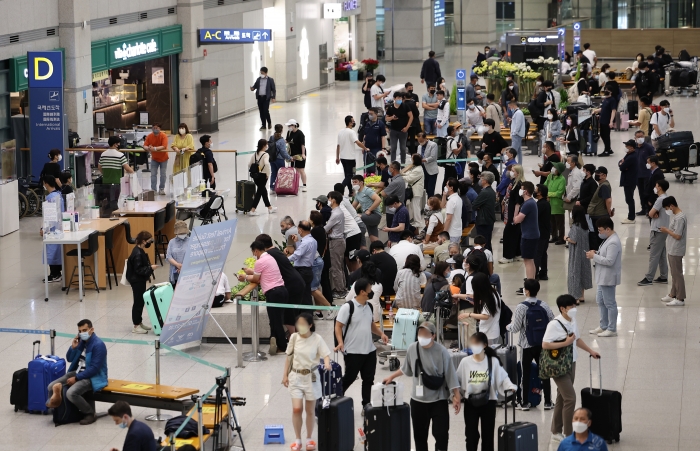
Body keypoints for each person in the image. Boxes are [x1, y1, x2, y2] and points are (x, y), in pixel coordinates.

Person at [383, 322, 460, 451]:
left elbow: (450, 374)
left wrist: (456, 395)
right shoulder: (412, 348)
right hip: (418, 401)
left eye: (425, 334)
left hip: (438, 400)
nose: (422, 336)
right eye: (420, 333)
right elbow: (406, 368)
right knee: (420, 437)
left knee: (441, 435)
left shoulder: (442, 352)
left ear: (433, 336)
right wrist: (392, 377)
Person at [543, 294, 601, 441]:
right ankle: (569, 435)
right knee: (570, 398)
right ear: (562, 309)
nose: (574, 309)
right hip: (558, 366)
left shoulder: (573, 320)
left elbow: (577, 339)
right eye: (571, 307)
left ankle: (556, 431)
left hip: (571, 362)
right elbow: (545, 344)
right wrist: (565, 343)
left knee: (562, 397)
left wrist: (590, 351)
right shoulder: (554, 324)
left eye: (574, 306)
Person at [456, 331, 518, 451]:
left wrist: (510, 386)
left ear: (484, 345)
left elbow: (503, 377)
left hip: (488, 402)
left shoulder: (492, 361)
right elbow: (457, 380)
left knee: (488, 436)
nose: (474, 346)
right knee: (471, 436)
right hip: (470, 403)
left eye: (477, 343)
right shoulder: (465, 362)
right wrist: (455, 396)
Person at [335, 278, 389, 409]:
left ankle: (366, 405)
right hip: (353, 350)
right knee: (349, 377)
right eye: (369, 289)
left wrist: (381, 333)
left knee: (368, 379)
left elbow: (370, 324)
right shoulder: (348, 307)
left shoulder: (369, 306)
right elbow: (338, 326)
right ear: (362, 292)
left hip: (369, 350)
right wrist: (340, 342)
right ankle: (335, 400)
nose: (371, 292)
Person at [282, 313, 331, 451]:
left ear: (310, 325)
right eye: (298, 324)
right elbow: (288, 356)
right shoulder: (294, 337)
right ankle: (298, 440)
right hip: (296, 376)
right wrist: (284, 375)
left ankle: (309, 438)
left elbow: (326, 354)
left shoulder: (317, 339)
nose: (300, 327)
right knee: (297, 409)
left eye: (303, 324)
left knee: (310, 410)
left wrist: (327, 364)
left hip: (311, 377)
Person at [46, 319, 107, 425]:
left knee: (71, 393)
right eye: (80, 331)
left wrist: (77, 378)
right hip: (78, 372)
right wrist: (73, 348)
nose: (82, 333)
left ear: (91, 330)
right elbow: (69, 358)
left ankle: (89, 413)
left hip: (92, 377)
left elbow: (94, 369)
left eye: (85, 330)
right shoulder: (82, 343)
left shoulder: (98, 345)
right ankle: (58, 411)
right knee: (51, 386)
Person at [506, 278, 554, 410]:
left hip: (527, 345)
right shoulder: (543, 305)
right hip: (542, 345)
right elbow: (552, 321)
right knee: (544, 373)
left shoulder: (521, 307)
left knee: (525, 374)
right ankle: (548, 402)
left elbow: (515, 328)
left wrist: (508, 326)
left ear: (526, 291)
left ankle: (525, 402)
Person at [236, 240, 290, 353]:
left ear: (256, 250)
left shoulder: (260, 261)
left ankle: (282, 346)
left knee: (276, 321)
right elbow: (261, 274)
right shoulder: (270, 258)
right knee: (277, 320)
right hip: (282, 291)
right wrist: (250, 273)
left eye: (253, 252)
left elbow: (256, 279)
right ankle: (274, 342)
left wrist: (245, 277)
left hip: (273, 293)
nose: (253, 255)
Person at [586, 218, 622, 337]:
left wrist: (594, 257)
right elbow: (605, 255)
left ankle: (612, 328)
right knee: (600, 301)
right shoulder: (608, 239)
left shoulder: (613, 242)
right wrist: (596, 253)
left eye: (600, 230)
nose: (599, 232)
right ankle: (603, 325)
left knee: (610, 303)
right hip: (602, 277)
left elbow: (610, 261)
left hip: (608, 277)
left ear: (608, 229)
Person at [638, 179, 670, 287]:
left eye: (656, 186)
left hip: (657, 230)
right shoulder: (667, 198)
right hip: (663, 229)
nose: (655, 187)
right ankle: (664, 276)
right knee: (661, 254)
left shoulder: (660, 199)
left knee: (654, 255)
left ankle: (649, 278)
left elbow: (651, 214)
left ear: (660, 187)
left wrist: (651, 212)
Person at [125, 231, 157, 334]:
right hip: (137, 281)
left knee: (140, 302)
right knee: (138, 302)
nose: (150, 243)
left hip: (139, 280)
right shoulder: (137, 253)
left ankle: (139, 322)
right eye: (149, 241)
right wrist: (150, 268)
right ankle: (136, 325)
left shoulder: (139, 250)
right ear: (143, 241)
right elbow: (139, 270)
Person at [660, 196, 687, 306]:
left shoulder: (680, 218)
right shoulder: (676, 216)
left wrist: (666, 230)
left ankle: (680, 298)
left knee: (677, 274)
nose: (667, 211)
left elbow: (678, 235)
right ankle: (673, 294)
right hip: (672, 248)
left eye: (667, 208)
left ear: (672, 206)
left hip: (676, 249)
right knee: (674, 273)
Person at [461, 272, 501, 345]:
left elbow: (485, 316)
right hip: (492, 330)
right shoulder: (493, 292)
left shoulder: (489, 298)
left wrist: (469, 314)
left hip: (489, 333)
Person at [513, 182, 539, 292]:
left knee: (527, 261)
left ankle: (529, 286)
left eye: (521, 188)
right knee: (530, 260)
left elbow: (517, 220)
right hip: (531, 235)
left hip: (529, 236)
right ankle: (531, 283)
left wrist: (516, 208)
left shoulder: (528, 204)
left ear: (526, 191)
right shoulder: (530, 203)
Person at [565, 206, 592, 304]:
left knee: (575, 273)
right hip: (584, 252)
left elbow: (574, 240)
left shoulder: (575, 227)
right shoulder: (586, 225)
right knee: (582, 273)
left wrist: (566, 238)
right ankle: (581, 296)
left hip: (576, 253)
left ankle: (575, 297)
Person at [309, 211, 334, 317]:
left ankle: (328, 306)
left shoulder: (314, 231)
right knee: (323, 282)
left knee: (315, 286)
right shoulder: (322, 229)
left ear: (312, 220)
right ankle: (319, 309)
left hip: (318, 260)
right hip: (325, 258)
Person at [40, 175, 65, 283]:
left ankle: (54, 274)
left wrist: (43, 228)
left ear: (46, 183)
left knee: (51, 251)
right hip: (60, 227)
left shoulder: (50, 198)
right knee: (57, 251)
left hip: (52, 229)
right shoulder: (59, 195)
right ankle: (57, 272)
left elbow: (49, 216)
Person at [288, 220, 317, 307]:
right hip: (308, 270)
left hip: (302, 271)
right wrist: (297, 242)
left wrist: (284, 260)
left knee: (301, 295)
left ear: (300, 230)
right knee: (306, 294)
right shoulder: (312, 240)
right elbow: (303, 252)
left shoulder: (305, 242)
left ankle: (304, 315)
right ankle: (308, 316)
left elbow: (296, 255)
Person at [337, 115, 369, 195]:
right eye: (353, 121)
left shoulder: (340, 132)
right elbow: (357, 142)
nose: (354, 122)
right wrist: (365, 148)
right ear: (350, 123)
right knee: (350, 175)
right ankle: (340, 189)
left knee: (347, 175)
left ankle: (351, 191)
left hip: (343, 157)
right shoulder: (351, 132)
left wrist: (337, 157)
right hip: (350, 158)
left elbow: (338, 145)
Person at [499, 165, 525, 265]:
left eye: (513, 171)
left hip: (513, 213)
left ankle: (508, 256)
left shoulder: (519, 184)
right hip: (510, 210)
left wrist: (515, 216)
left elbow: (518, 202)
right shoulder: (513, 182)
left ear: (517, 173)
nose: (511, 172)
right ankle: (517, 253)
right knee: (516, 233)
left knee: (508, 234)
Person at [324, 191, 347, 297]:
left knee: (336, 267)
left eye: (329, 198)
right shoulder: (338, 212)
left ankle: (339, 291)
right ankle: (341, 288)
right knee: (340, 266)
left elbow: (326, 229)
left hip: (335, 242)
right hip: (339, 241)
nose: (328, 200)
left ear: (333, 200)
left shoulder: (335, 213)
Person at [248, 139, 276, 216]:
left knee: (263, 191)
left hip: (255, 176)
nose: (267, 146)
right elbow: (267, 164)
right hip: (263, 175)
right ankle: (252, 210)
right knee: (259, 192)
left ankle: (270, 208)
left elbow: (249, 164)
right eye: (266, 145)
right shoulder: (265, 154)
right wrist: (268, 173)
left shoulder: (254, 154)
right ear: (264, 146)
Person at [351, 175, 382, 242]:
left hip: (374, 215)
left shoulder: (367, 190)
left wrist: (369, 210)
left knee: (357, 217)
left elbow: (378, 200)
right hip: (367, 216)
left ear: (361, 182)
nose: (354, 184)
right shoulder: (358, 194)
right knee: (373, 238)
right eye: (353, 182)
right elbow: (353, 207)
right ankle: (378, 250)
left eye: (355, 182)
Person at [142, 123, 171, 193]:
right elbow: (144, 145)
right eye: (154, 128)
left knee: (163, 174)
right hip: (154, 158)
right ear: (152, 129)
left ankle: (161, 188)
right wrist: (148, 148)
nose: (155, 129)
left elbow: (164, 146)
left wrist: (154, 148)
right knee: (153, 174)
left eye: (157, 128)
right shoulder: (149, 136)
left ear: (160, 129)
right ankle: (153, 190)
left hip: (163, 158)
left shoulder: (163, 136)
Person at [472, 172, 497, 251]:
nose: (480, 180)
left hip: (483, 221)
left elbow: (474, 205)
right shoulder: (491, 191)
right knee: (487, 242)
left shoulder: (485, 192)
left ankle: (485, 260)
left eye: (481, 178)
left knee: (483, 243)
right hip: (488, 220)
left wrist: (478, 206)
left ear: (485, 181)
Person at [634, 130, 656, 215]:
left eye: (641, 136)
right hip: (638, 175)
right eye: (638, 137)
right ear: (635, 138)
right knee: (641, 192)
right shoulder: (634, 148)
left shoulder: (648, 147)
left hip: (647, 174)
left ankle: (649, 209)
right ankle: (643, 208)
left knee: (647, 192)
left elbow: (654, 159)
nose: (640, 138)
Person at [386, 92, 412, 164]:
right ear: (394, 98)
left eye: (401, 98)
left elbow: (411, 116)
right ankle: (393, 163)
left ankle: (403, 163)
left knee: (403, 148)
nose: (400, 99)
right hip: (394, 130)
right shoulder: (391, 107)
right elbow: (386, 118)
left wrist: (407, 127)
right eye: (398, 98)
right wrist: (392, 118)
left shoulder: (405, 106)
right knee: (393, 148)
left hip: (403, 130)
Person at [545, 162, 567, 245]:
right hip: (549, 203)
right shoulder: (550, 176)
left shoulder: (562, 179)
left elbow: (559, 193)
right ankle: (554, 236)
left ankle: (561, 238)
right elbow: (545, 185)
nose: (553, 168)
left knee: (560, 223)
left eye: (555, 167)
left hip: (557, 204)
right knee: (552, 222)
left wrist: (548, 194)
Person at [402, 153, 426, 229]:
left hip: (416, 191)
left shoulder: (418, 170)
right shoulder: (416, 168)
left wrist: (400, 176)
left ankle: (418, 222)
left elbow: (409, 178)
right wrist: (402, 173)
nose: (411, 160)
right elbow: (408, 174)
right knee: (413, 206)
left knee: (416, 206)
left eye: (412, 158)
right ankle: (416, 221)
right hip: (414, 190)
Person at [618, 139, 639, 223]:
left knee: (629, 199)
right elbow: (620, 162)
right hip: (629, 180)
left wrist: (622, 164)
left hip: (629, 181)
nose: (626, 147)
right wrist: (621, 163)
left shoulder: (631, 157)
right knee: (629, 199)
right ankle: (631, 216)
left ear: (632, 148)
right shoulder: (629, 154)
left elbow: (621, 167)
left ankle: (631, 218)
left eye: (627, 146)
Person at [534, 184, 551, 280]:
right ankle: (543, 272)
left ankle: (534, 273)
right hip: (545, 231)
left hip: (540, 232)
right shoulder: (545, 203)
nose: (535, 192)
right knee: (543, 253)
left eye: (536, 190)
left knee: (537, 253)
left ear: (540, 193)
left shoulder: (541, 205)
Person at [380, 161, 406, 227]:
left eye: (389, 167)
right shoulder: (400, 179)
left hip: (392, 211)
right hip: (399, 207)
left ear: (392, 169)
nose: (388, 169)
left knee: (391, 229)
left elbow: (383, 193)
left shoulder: (395, 182)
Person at [592, 90, 617, 157]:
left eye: (608, 90)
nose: (606, 91)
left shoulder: (612, 100)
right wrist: (595, 111)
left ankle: (606, 150)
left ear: (611, 92)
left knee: (606, 135)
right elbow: (602, 108)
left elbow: (613, 111)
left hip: (607, 120)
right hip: (602, 120)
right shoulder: (605, 99)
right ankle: (608, 148)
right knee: (602, 134)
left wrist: (611, 121)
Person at [286, 119, 308, 191]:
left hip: (299, 153)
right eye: (288, 126)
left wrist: (303, 154)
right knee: (294, 170)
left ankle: (304, 185)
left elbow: (302, 145)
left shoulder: (300, 134)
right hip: (292, 154)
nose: (289, 127)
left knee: (301, 169)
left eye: (290, 125)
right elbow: (287, 140)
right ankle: (296, 184)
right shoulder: (289, 132)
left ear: (294, 125)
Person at [166, 221, 189, 288]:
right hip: (174, 271)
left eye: (184, 233)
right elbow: (168, 256)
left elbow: (192, 256)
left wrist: (183, 267)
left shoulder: (191, 241)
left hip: (187, 272)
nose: (182, 234)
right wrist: (177, 265)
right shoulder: (171, 242)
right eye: (181, 233)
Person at [268, 124, 291, 189]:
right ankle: (281, 187)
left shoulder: (271, 137)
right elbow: (283, 152)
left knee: (273, 173)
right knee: (281, 174)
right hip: (279, 159)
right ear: (282, 130)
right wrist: (289, 158)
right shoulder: (281, 140)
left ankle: (272, 187)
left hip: (272, 158)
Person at [564, 155, 584, 227]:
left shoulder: (576, 173)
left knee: (573, 220)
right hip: (571, 199)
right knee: (571, 219)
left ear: (573, 163)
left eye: (568, 161)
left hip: (574, 200)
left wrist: (569, 197)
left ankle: (573, 236)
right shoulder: (570, 171)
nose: (567, 162)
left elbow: (577, 187)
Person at [417, 132, 439, 197]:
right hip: (422, 170)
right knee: (424, 189)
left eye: (421, 141)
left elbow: (433, 157)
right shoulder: (419, 146)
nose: (420, 143)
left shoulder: (433, 145)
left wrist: (423, 160)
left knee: (430, 190)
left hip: (431, 170)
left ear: (425, 138)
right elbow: (418, 156)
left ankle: (431, 205)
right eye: (419, 141)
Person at [442, 178, 463, 243]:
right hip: (457, 231)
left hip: (451, 233)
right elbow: (442, 206)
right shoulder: (458, 198)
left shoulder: (452, 201)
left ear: (451, 188)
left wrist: (444, 233)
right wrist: (444, 195)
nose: (445, 187)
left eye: (446, 185)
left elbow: (449, 219)